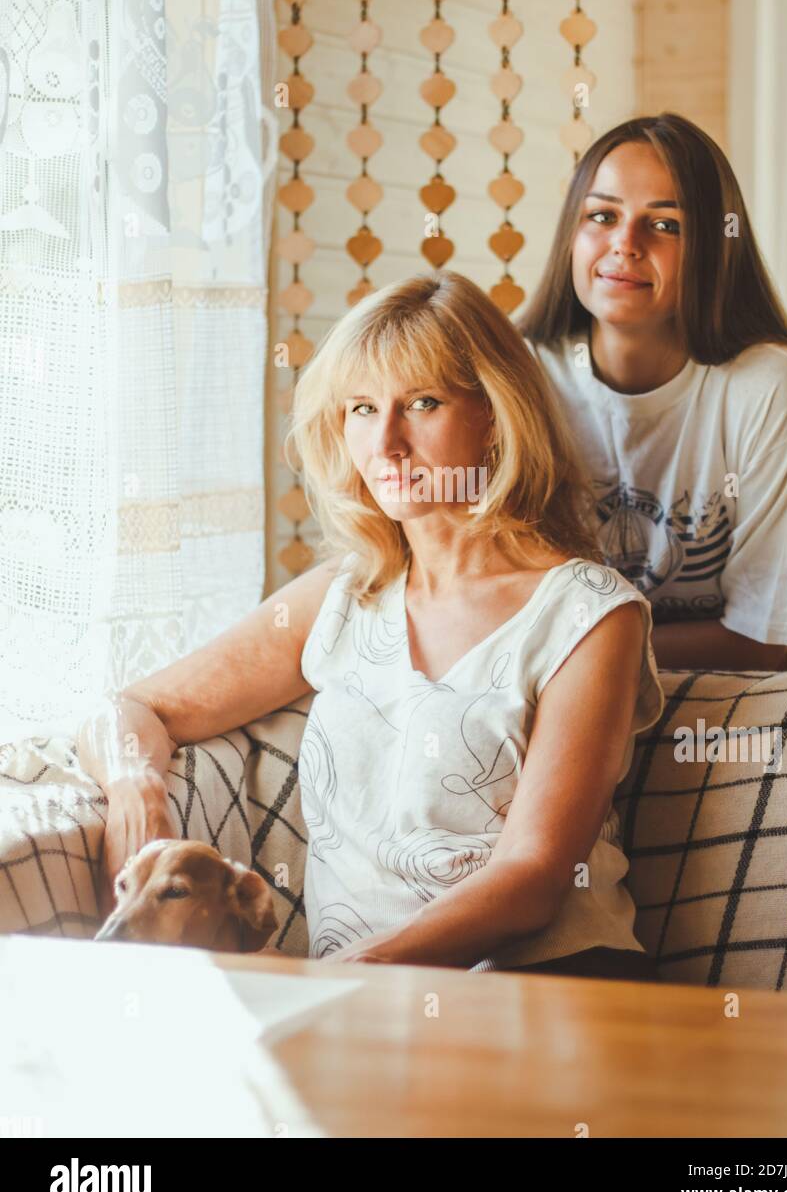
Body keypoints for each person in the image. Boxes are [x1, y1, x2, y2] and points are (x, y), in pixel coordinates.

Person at [77, 272, 665, 982]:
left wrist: (336, 983)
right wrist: (136, 792)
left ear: (497, 414)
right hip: (369, 1005)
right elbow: (135, 707)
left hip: (550, 988)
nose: (386, 442)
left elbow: (534, 880)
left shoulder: (588, 613)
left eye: (422, 403)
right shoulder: (344, 594)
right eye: (361, 408)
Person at [515, 111, 787, 671]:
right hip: (595, 670)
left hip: (784, 647)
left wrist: (555, 653)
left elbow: (765, 640)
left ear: (714, 246)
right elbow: (487, 609)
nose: (625, 244)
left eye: (666, 225)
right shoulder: (517, 375)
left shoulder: (772, 390)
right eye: (602, 215)